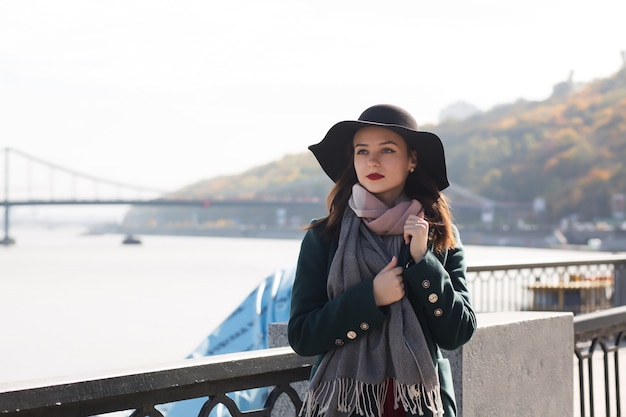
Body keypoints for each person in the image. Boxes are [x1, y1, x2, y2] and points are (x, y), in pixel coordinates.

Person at [287, 104, 476, 417]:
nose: (372, 161)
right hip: (345, 407)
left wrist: (422, 261)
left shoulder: (439, 234)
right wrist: (370, 298)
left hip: (419, 407)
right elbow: (302, 335)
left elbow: (458, 332)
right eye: (362, 151)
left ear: (411, 160)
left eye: (387, 150)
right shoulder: (325, 237)